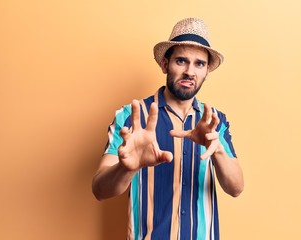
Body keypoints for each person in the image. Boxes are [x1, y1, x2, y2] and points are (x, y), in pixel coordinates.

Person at [92, 17, 244, 240]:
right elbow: (100, 190)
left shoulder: (214, 121)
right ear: (165, 64)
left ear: (206, 72)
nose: (190, 72)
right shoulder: (130, 117)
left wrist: (218, 148)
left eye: (199, 64)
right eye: (181, 61)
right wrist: (126, 168)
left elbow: (236, 188)